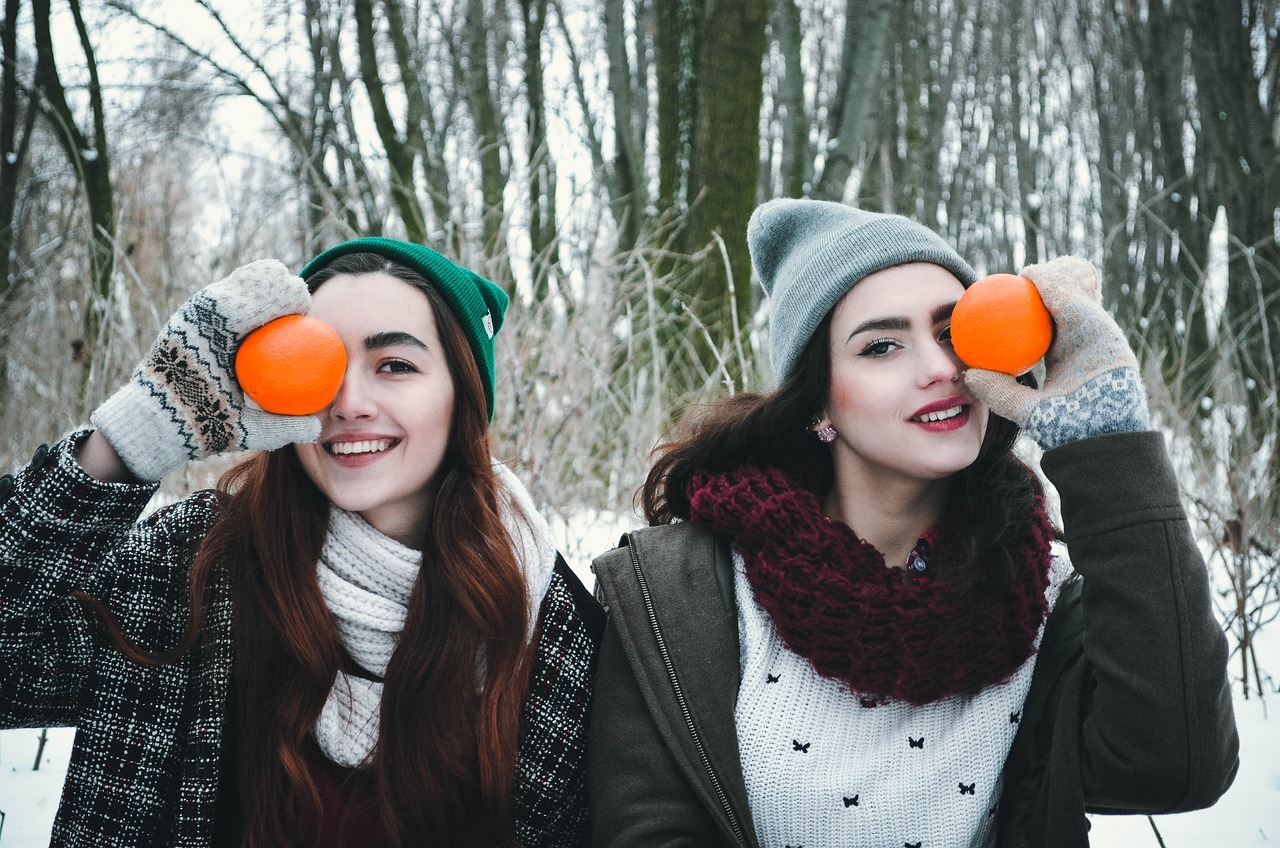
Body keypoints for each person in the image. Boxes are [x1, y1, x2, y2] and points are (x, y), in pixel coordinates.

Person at [586, 199, 1239, 847]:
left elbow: (1177, 768)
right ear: (818, 403)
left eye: (956, 332)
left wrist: (1109, 446)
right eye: (881, 346)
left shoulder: (1041, 597)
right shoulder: (678, 594)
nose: (940, 368)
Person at [0, 238, 603, 847]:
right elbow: (13, 667)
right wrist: (130, 440)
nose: (348, 403)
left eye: (395, 365)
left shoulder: (546, 620)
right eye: (321, 366)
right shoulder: (199, 565)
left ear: (462, 397)